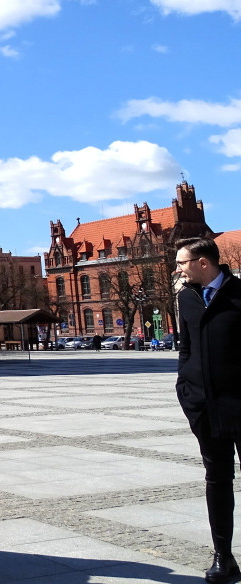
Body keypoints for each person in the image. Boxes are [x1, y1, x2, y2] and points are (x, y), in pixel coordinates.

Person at [175, 237, 241, 584]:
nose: (178, 268)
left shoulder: (238, 294)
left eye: (182, 262)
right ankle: (223, 556)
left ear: (204, 262)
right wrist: (186, 391)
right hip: (204, 407)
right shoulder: (186, 298)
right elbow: (185, 348)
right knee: (217, 481)